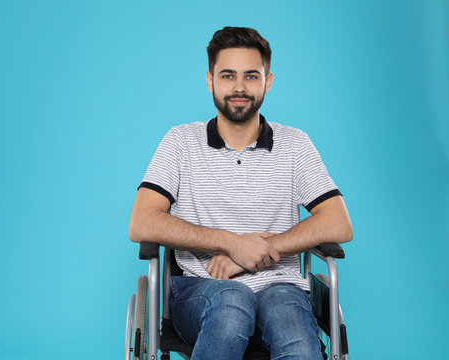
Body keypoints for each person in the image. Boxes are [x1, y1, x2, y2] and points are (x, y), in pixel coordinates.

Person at [129, 26, 353, 360]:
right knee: (234, 300)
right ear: (210, 81)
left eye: (251, 76)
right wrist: (231, 243)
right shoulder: (180, 142)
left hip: (280, 288)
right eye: (228, 75)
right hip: (200, 290)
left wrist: (256, 252)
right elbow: (142, 223)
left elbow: (339, 223)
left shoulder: (295, 145)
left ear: (268, 81)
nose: (239, 87)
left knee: (293, 324)